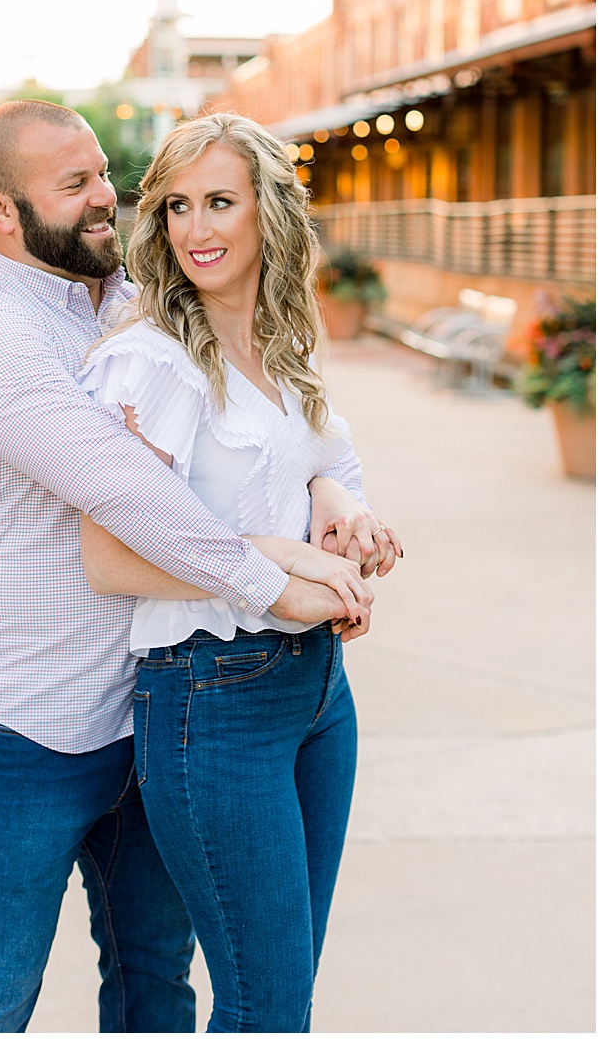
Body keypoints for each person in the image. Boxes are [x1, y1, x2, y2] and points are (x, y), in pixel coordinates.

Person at [0, 99, 398, 1032]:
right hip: (30, 722)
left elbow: (263, 436)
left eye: (105, 173)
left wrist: (329, 494)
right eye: (75, 184)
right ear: (0, 212)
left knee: (154, 984)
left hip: (147, 711)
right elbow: (130, 502)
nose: (109, 197)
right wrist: (278, 576)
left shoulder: (139, 305)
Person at [77, 113, 400, 1031]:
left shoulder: (281, 339)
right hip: (213, 702)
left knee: (284, 998)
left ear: (269, 212)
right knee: (267, 1009)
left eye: (220, 201)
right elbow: (112, 557)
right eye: (177, 206)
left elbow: (317, 458)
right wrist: (276, 558)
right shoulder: (150, 363)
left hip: (318, 692)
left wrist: (340, 508)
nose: (196, 229)